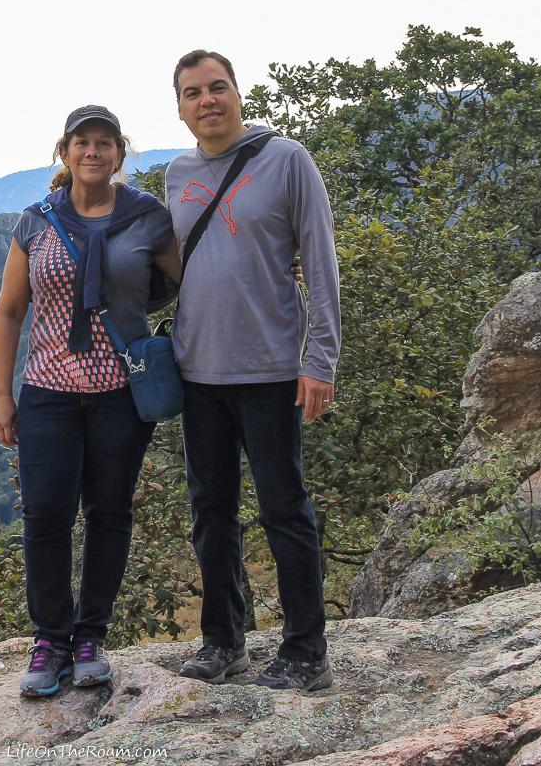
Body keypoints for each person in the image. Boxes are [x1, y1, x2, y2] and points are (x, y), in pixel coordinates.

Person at [0, 105, 181, 697]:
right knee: (44, 516)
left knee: (108, 511)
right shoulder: (36, 222)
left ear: (120, 153)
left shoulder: (148, 217)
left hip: (119, 394)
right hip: (47, 391)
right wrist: (3, 395)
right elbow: (10, 309)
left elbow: (185, 282)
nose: (93, 151)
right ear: (65, 151)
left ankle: (91, 634)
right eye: (82, 142)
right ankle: (51, 639)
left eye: (104, 142)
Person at [167, 50, 341, 692]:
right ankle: (223, 641)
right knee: (210, 512)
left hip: (271, 370)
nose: (206, 100)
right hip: (198, 373)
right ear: (180, 107)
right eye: (192, 93)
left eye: (217, 87)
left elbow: (321, 265)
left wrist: (320, 358)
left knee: (284, 510)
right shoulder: (177, 174)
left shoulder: (287, 160)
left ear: (239, 93)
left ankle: (304, 651)